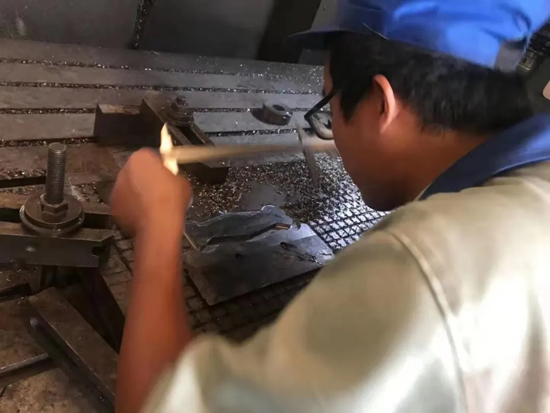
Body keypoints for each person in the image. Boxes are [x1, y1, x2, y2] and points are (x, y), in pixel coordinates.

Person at [111, 0, 550, 412]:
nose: (333, 130)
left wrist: (157, 223)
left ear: (381, 103)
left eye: (329, 104)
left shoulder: (430, 266)